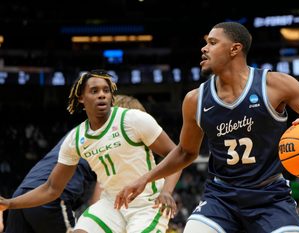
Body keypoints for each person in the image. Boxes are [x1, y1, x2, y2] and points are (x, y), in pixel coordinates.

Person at [114, 22, 299, 233]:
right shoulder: (195, 100)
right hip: (221, 197)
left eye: (212, 43)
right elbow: (186, 152)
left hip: (270, 197)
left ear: (235, 49)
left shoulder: (275, 84)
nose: (204, 48)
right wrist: (146, 178)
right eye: (205, 43)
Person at [0, 70, 181, 233]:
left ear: (112, 96)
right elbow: (51, 188)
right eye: (94, 91)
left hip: (147, 204)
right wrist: (9, 203)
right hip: (112, 204)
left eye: (106, 90)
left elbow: (176, 154)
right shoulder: (75, 138)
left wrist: (166, 191)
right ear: (81, 98)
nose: (102, 95)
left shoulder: (133, 119)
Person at [1, 94, 148, 233]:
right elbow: (97, 200)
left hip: (23, 195)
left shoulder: (80, 132)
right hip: (50, 200)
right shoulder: (113, 141)